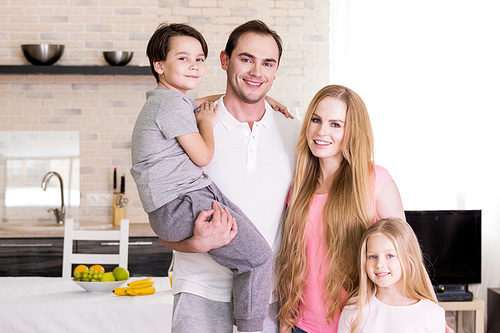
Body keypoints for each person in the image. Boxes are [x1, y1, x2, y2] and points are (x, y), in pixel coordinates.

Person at [131, 22, 296, 333]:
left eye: (267, 63)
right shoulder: (191, 125)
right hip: (199, 293)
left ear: (276, 71)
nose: (256, 72)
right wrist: (193, 244)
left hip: (268, 299)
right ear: (224, 60)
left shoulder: (295, 132)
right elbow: (161, 208)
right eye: (246, 59)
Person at [276, 84, 406, 333]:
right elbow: (291, 262)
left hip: (359, 325)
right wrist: (285, 323)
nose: (321, 131)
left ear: (352, 132)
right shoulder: (298, 189)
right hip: (302, 327)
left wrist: (431, 315)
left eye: (336, 124)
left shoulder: (375, 181)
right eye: (316, 120)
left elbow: (405, 259)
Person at [337, 218, 446, 332]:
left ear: (409, 258)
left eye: (390, 256)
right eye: (373, 256)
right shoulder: (354, 308)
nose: (379, 264)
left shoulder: (431, 313)